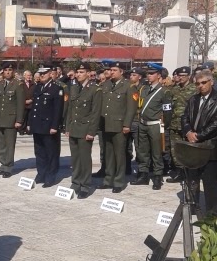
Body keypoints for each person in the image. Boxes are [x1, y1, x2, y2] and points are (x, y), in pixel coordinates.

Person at [96, 62, 138, 193]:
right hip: (106, 124)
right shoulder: (105, 85)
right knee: (108, 154)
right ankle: (108, 179)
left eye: (114, 70)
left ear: (121, 72)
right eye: (111, 70)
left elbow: (131, 108)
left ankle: (119, 181)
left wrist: (127, 125)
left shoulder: (128, 86)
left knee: (119, 155)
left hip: (119, 125)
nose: (111, 72)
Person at [182, 69, 217, 215]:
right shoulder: (193, 99)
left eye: (204, 83)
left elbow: (215, 123)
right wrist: (188, 132)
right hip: (193, 146)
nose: (200, 86)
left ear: (211, 82)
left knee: (210, 183)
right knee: (192, 179)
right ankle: (192, 207)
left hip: (210, 146)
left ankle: (211, 213)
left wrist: (199, 136)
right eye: (198, 83)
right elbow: (184, 117)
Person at [130, 67, 172, 190]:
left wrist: (165, 126)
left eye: (152, 74)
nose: (149, 76)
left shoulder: (164, 91)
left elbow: (167, 111)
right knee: (142, 151)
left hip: (155, 124)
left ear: (159, 75)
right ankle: (143, 175)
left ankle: (157, 176)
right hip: (142, 123)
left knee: (156, 152)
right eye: (148, 74)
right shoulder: (144, 88)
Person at [65, 62, 102, 199]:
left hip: (85, 129)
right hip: (74, 128)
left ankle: (85, 185)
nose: (78, 75)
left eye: (81, 72)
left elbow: (95, 113)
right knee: (75, 158)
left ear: (88, 73)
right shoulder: (74, 88)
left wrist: (91, 132)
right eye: (77, 72)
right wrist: (68, 127)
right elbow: (70, 109)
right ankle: (76, 182)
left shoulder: (95, 89)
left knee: (85, 159)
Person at [30, 64, 64, 187]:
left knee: (51, 152)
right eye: (41, 73)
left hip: (49, 126)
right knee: (39, 151)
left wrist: (55, 126)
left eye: (44, 73)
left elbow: (57, 110)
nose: (42, 75)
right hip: (38, 125)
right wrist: (30, 123)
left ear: (51, 74)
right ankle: (41, 173)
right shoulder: (38, 87)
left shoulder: (56, 89)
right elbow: (34, 107)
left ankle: (51, 175)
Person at [166, 66, 197, 183]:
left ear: (189, 76)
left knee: (188, 149)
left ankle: (190, 173)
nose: (181, 78)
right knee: (175, 150)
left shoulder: (194, 89)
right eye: (179, 76)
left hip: (188, 125)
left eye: (184, 76)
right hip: (174, 124)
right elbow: (168, 105)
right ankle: (180, 172)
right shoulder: (174, 89)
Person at [0, 62, 25, 177]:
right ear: (3, 71)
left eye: (10, 70)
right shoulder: (0, 83)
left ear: (13, 72)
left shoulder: (18, 84)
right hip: (0, 118)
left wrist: (19, 120)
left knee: (9, 144)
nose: (8, 72)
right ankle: (3, 164)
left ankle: (8, 167)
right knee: (1, 144)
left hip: (11, 119)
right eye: (6, 70)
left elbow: (20, 104)